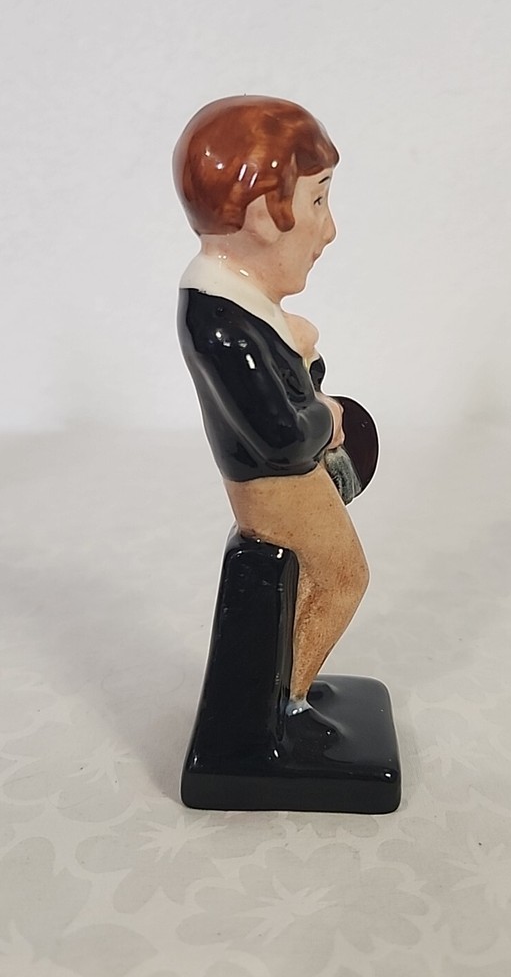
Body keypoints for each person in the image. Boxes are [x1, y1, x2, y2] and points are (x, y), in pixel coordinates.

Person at [173, 96, 369, 719]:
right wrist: (328, 416)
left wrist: (302, 355)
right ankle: (283, 705)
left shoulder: (244, 309)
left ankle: (287, 690)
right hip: (274, 487)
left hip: (283, 477)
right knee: (341, 578)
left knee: (323, 581)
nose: (329, 230)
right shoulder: (225, 327)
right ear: (262, 215)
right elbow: (282, 435)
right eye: (318, 200)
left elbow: (284, 395)